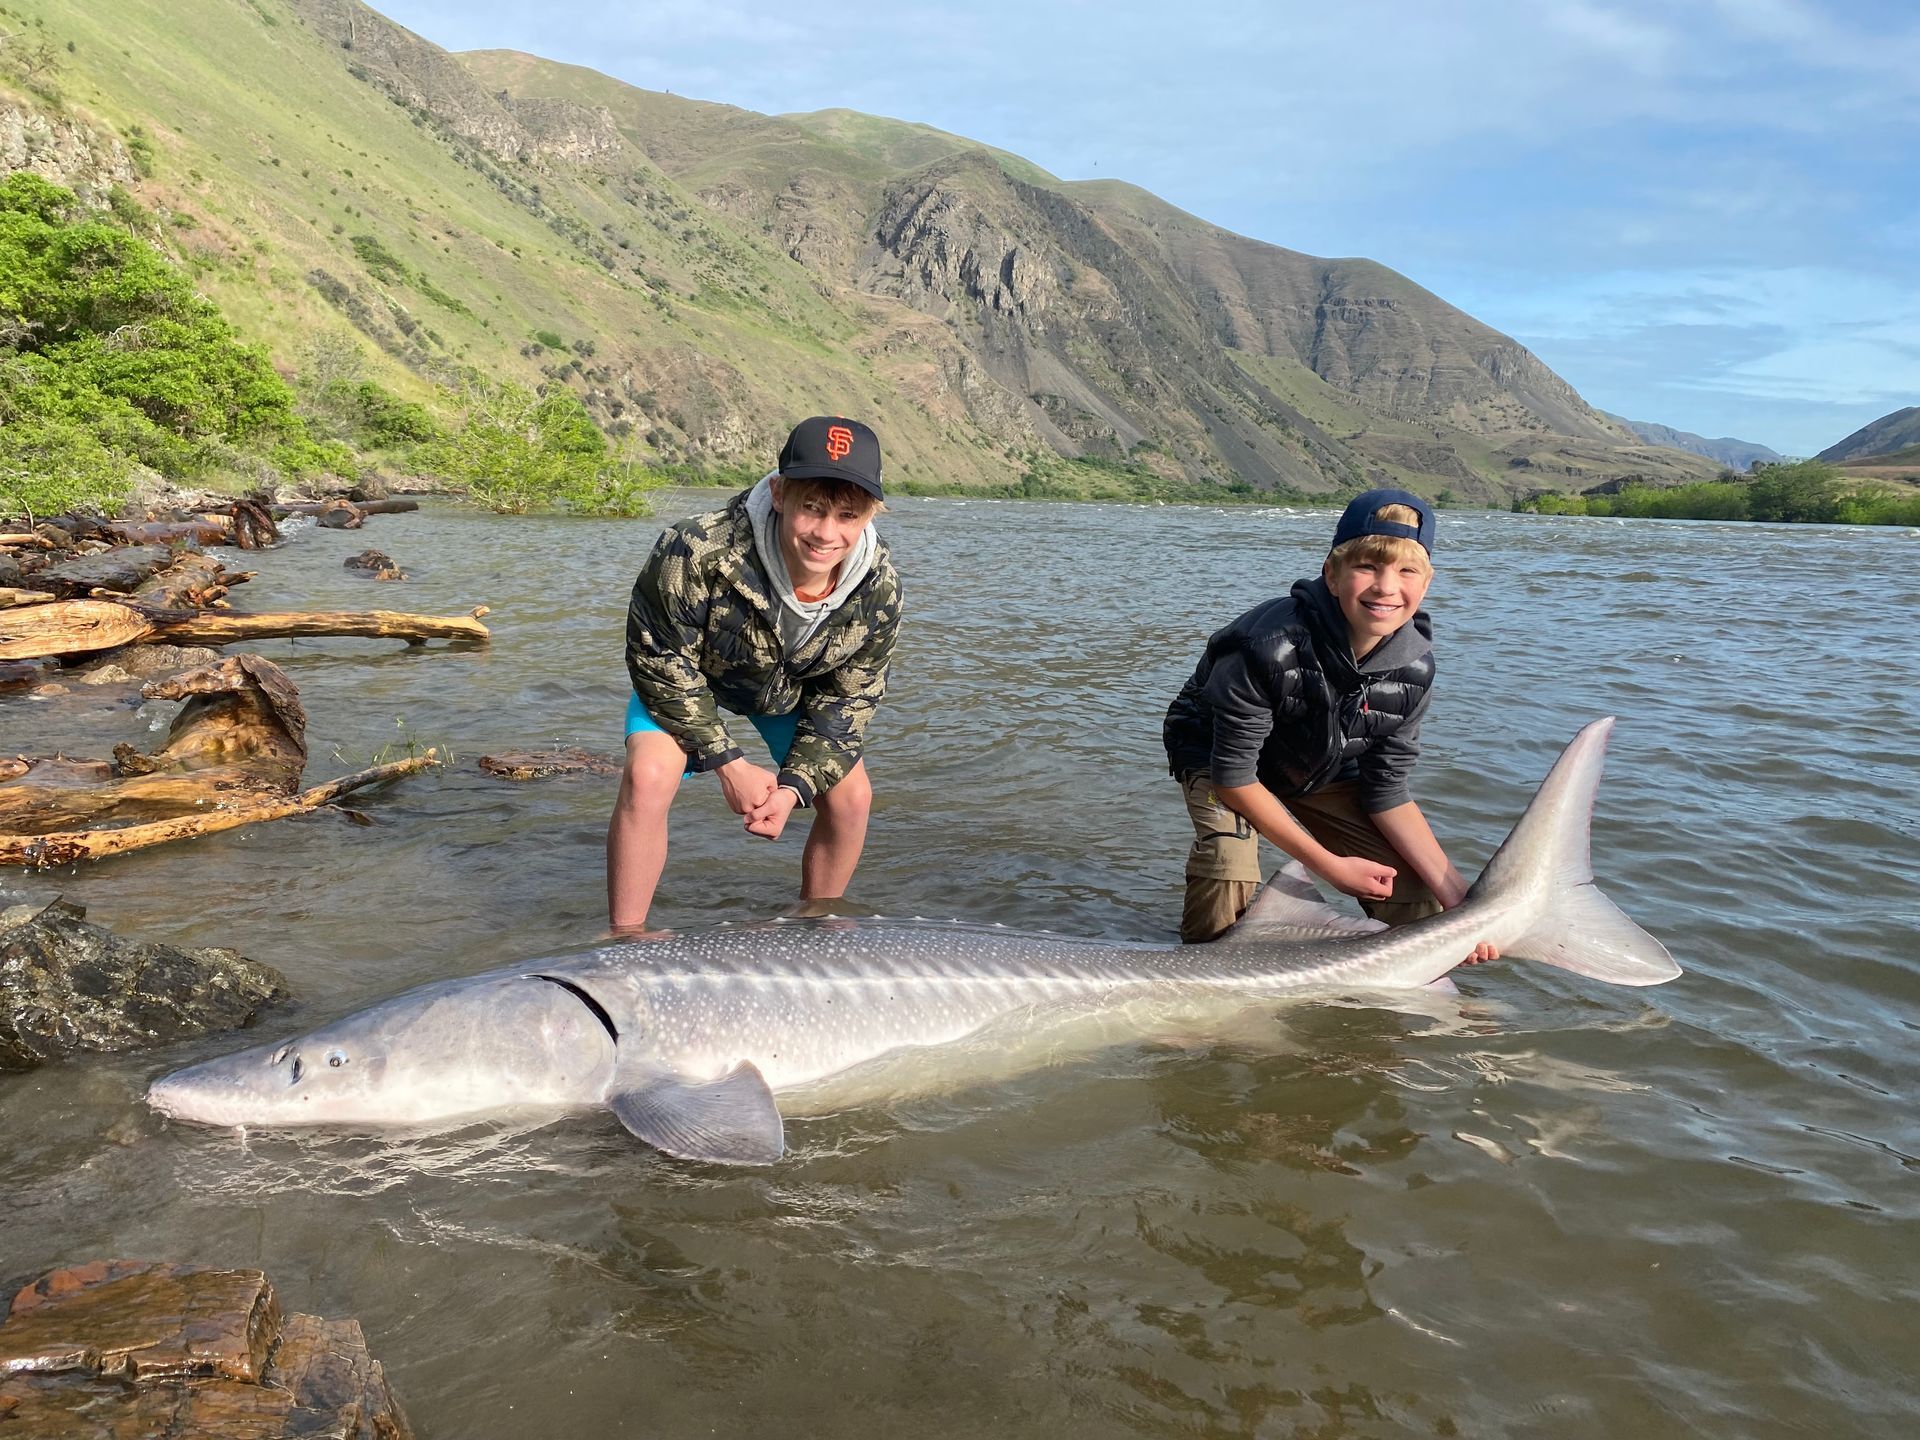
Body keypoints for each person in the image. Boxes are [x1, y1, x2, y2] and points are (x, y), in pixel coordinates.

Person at [1162, 488, 1496, 961]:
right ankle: (1199, 971)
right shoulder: (1265, 645)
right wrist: (1329, 866)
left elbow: (1387, 790)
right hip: (1217, 755)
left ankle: (1397, 990)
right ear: (1332, 575)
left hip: (1321, 763)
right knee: (1229, 857)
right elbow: (1234, 777)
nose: (1386, 587)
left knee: (1415, 890)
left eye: (1406, 571)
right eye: (1368, 567)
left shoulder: (1415, 669)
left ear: (1426, 583)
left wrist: (1460, 903)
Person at [607, 416, 902, 933]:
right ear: (780, 493)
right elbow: (660, 660)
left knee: (852, 798)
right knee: (648, 776)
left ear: (869, 515)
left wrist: (792, 789)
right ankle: (625, 938)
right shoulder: (694, 547)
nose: (826, 533)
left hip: (788, 692)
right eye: (812, 507)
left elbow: (846, 705)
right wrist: (728, 763)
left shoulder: (879, 589)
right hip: (690, 680)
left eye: (847, 516)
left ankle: (816, 928)